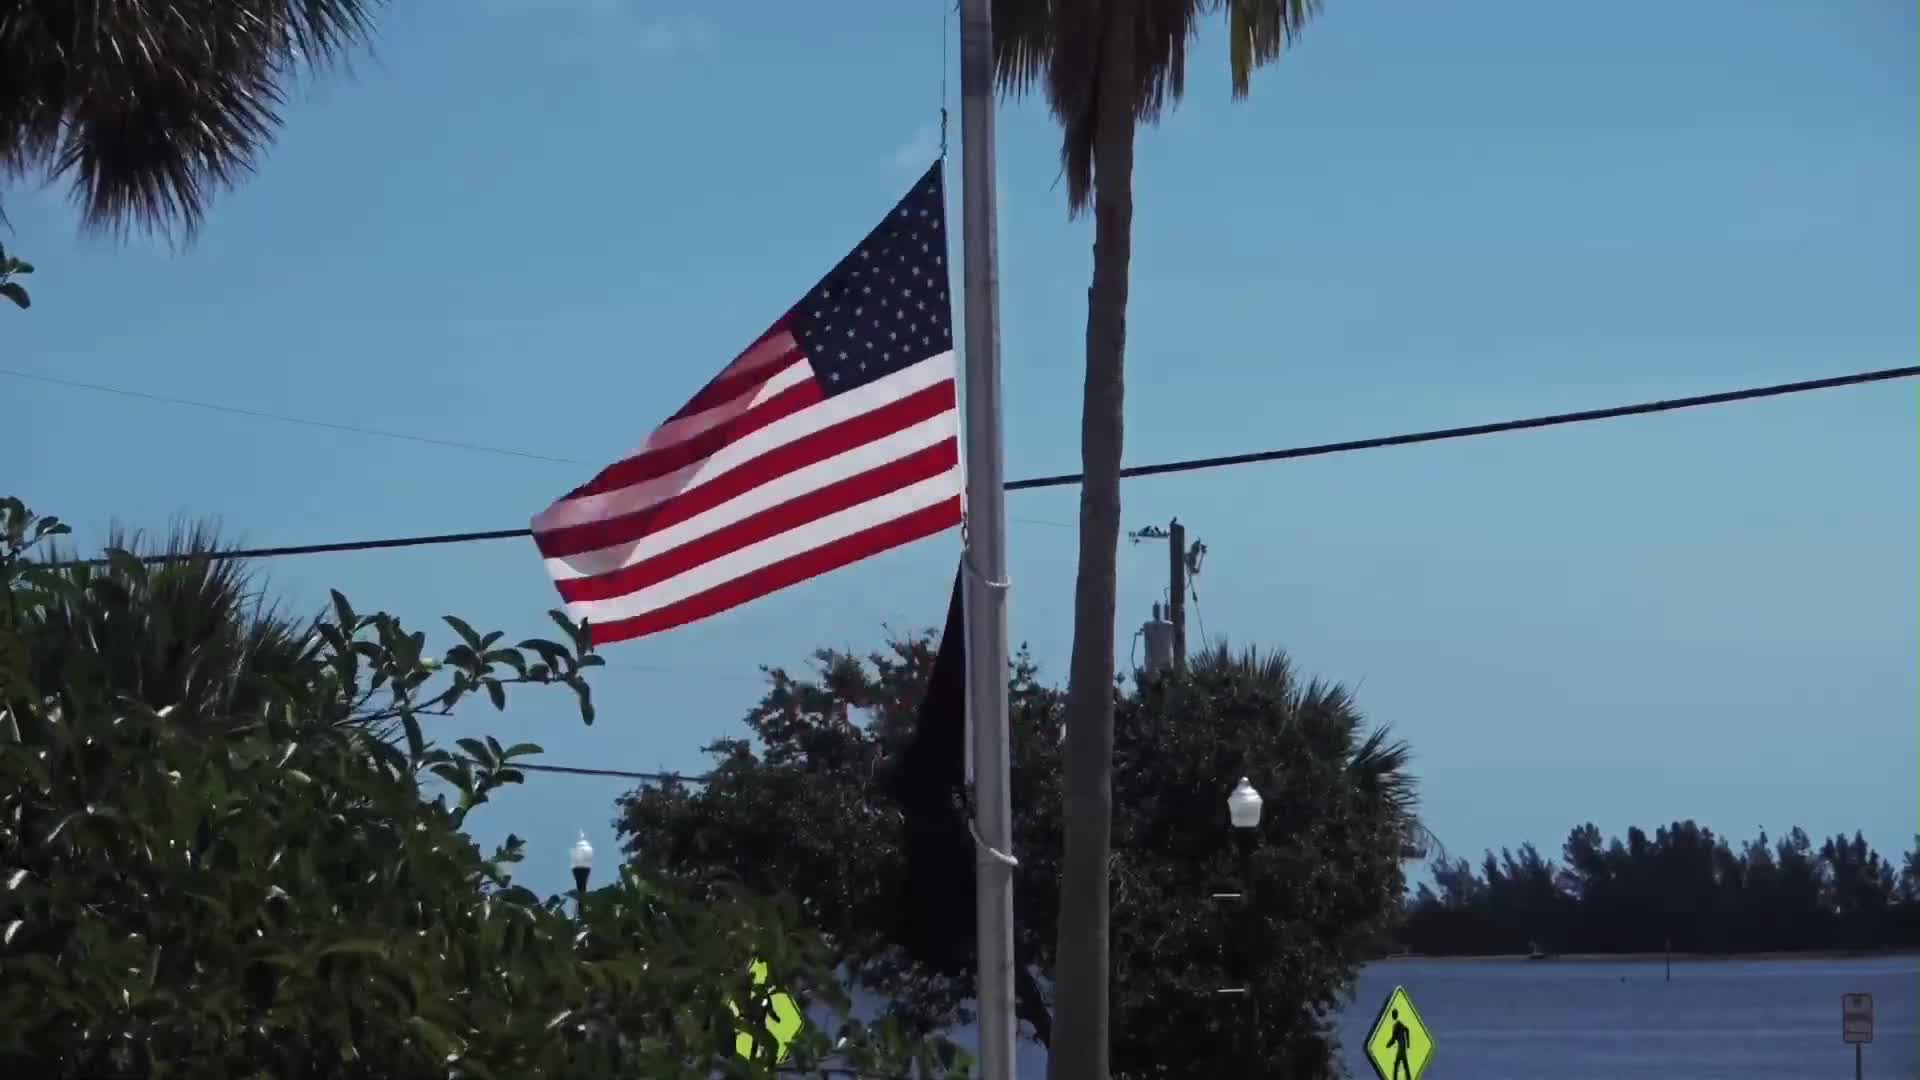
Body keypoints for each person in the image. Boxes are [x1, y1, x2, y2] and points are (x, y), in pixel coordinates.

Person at [1388, 1008, 1413, 1080]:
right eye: (1393, 1014)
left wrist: (1387, 1045)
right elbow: (1394, 1038)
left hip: (1401, 1048)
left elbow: (1393, 1038)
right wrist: (1407, 1043)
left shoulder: (1397, 1024)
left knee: (1396, 1064)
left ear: (1394, 1015)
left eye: (1393, 1014)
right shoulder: (1397, 1024)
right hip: (1402, 1047)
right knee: (1404, 1064)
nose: (1393, 1016)